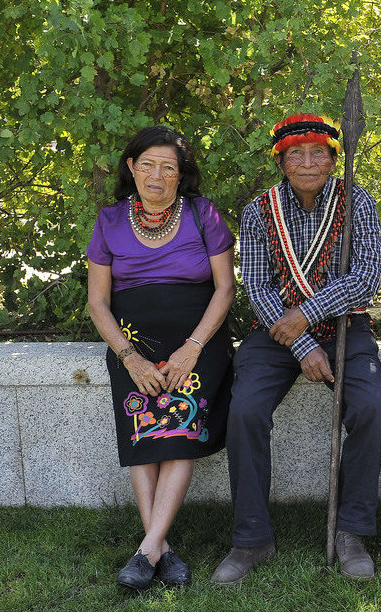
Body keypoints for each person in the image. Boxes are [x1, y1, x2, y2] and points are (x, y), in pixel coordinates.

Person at [210, 113, 381, 583]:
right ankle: (252, 539)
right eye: (296, 154)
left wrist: (307, 315)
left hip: (345, 326)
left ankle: (351, 533)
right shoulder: (258, 211)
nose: (308, 162)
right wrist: (303, 343)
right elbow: (258, 286)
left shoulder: (358, 203)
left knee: (372, 407)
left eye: (318, 153)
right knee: (244, 409)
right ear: (282, 161)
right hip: (274, 332)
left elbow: (367, 279)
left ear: (333, 159)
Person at [87, 126, 236, 590]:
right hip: (132, 343)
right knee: (142, 430)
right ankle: (161, 549)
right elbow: (97, 302)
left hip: (198, 341)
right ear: (131, 167)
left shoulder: (202, 214)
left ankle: (147, 549)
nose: (156, 175)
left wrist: (193, 348)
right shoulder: (109, 221)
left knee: (176, 423)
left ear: (180, 175)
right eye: (147, 164)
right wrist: (128, 357)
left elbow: (225, 288)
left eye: (167, 167)